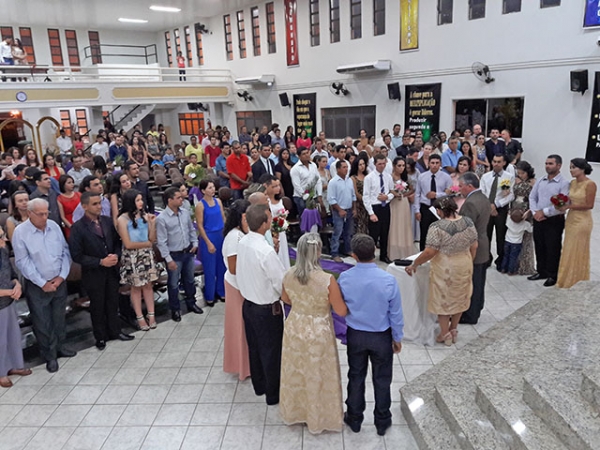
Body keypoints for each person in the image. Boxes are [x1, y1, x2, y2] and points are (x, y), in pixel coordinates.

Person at [280, 233, 348, 433]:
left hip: (294, 327)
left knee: (297, 372)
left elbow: (286, 299)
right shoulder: (326, 280)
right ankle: (319, 417)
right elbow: (341, 310)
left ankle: (297, 412)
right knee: (317, 374)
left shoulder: (288, 274)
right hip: (318, 330)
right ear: (317, 252)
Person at [338, 234, 403, 436]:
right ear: (374, 252)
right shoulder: (388, 280)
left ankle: (355, 418)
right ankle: (382, 420)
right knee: (382, 378)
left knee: (356, 376)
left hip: (356, 334)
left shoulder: (345, 278)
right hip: (381, 335)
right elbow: (396, 313)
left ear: (354, 255)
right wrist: (397, 337)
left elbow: (341, 307)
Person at [12, 198, 75, 373]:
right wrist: (42, 282)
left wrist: (62, 276)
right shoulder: (20, 232)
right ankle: (49, 355)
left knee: (59, 317)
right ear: (30, 213)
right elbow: (22, 262)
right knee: (42, 322)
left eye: (47, 213)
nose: (45, 217)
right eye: (40, 214)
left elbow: (65, 251)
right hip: (37, 285)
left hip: (59, 280)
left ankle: (61, 347)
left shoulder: (54, 226)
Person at [405, 197, 478, 345]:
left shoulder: (437, 227)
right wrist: (469, 260)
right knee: (460, 297)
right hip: (464, 263)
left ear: (439, 210)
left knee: (443, 300)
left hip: (445, 266)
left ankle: (445, 335)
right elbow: (474, 245)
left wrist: (415, 264)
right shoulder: (468, 222)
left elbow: (430, 251)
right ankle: (453, 329)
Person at [69, 192, 134, 350]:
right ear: (84, 206)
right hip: (93, 273)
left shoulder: (106, 221)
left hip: (111, 270)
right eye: (95, 204)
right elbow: (77, 255)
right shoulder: (78, 228)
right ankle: (100, 336)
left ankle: (115, 331)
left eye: (99, 203)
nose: (99, 207)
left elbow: (117, 243)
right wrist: (99, 262)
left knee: (113, 302)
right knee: (97, 306)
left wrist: (116, 256)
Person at [236, 204, 285, 405]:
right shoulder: (265, 251)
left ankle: (260, 386)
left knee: (255, 348)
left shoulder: (243, 242)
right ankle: (273, 394)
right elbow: (280, 282)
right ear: (265, 224)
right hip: (266, 309)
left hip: (248, 305)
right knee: (271, 352)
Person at [156, 187, 204, 321]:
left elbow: (191, 229)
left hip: (187, 251)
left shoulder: (185, 213)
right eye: (178, 197)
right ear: (170, 200)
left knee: (189, 280)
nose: (181, 199)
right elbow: (161, 241)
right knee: (173, 284)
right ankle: (175, 309)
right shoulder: (162, 219)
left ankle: (191, 303)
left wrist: (195, 243)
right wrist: (168, 259)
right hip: (174, 255)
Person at [116, 189, 159, 331]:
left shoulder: (145, 216)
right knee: (136, 287)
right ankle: (140, 317)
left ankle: (151, 315)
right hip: (132, 257)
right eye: (138, 200)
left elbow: (152, 239)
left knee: (148, 285)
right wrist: (147, 244)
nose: (141, 203)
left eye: (142, 199)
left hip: (146, 255)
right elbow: (128, 244)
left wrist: (152, 224)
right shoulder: (122, 219)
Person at [222, 200, 251, 380]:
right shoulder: (234, 237)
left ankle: (248, 363)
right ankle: (242, 366)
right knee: (240, 327)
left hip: (243, 284)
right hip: (236, 284)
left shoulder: (243, 233)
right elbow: (234, 268)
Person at [556, 158, 596, 288]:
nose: (571, 170)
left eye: (574, 167)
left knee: (577, 248)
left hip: (582, 221)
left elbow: (589, 205)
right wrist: (561, 204)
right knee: (568, 248)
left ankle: (576, 279)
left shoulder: (590, 184)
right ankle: (565, 278)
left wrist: (568, 207)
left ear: (582, 169)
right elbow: (569, 200)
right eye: (570, 167)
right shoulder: (572, 183)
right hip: (571, 219)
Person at [457, 172, 491, 325]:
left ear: (469, 186)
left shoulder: (470, 203)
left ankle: (470, 314)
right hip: (484, 241)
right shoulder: (483, 198)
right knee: (479, 279)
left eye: (461, 186)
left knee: (473, 281)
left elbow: (466, 228)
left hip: (474, 246)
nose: (459, 189)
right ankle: (478, 307)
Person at [0, 225, 29, 388]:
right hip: (3, 299)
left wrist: (17, 285)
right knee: (0, 340)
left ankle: (14, 365)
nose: (5, 239)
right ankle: (1, 372)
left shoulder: (3, 251)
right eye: (1, 237)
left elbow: (12, 274)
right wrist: (6, 292)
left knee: (13, 335)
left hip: (9, 300)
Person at [480, 154, 515, 269]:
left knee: (501, 235)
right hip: (486, 208)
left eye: (499, 162)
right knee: (486, 234)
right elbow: (482, 192)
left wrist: (496, 205)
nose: (496, 164)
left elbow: (510, 195)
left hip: (501, 209)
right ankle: (486, 258)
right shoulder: (485, 176)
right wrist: (489, 206)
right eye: (494, 161)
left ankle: (501, 260)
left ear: (504, 163)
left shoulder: (508, 177)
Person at [195, 179, 226, 307]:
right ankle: (209, 295)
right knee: (210, 268)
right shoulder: (200, 206)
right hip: (209, 237)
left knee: (221, 266)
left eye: (213, 187)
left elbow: (223, 218)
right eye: (209, 188)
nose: (212, 190)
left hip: (220, 235)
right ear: (203, 191)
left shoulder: (218, 202)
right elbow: (200, 226)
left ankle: (221, 291)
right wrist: (208, 242)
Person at [413, 154, 452, 251]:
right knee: (424, 232)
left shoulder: (446, 177)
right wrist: (417, 210)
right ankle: (422, 253)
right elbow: (417, 194)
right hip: (425, 207)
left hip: (440, 208)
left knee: (439, 232)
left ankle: (438, 253)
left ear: (440, 164)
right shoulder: (422, 177)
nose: (434, 165)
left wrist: (436, 195)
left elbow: (449, 195)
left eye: (437, 163)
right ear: (429, 163)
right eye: (432, 163)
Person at [363, 154, 395, 263]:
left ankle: (384, 255)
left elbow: (392, 191)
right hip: (375, 207)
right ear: (375, 164)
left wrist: (388, 197)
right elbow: (366, 196)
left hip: (385, 206)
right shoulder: (369, 178)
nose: (382, 166)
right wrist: (371, 213)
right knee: (373, 234)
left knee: (385, 232)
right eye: (379, 164)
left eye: (383, 163)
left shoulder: (388, 176)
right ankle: (370, 256)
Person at [327, 160, 356, 263]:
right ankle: (334, 253)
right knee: (337, 233)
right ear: (338, 169)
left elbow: (353, 196)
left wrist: (354, 208)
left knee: (349, 232)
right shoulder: (333, 182)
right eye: (343, 167)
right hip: (338, 211)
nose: (346, 169)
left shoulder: (349, 180)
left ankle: (348, 250)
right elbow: (331, 199)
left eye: (347, 167)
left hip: (349, 209)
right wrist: (339, 210)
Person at [512, 160, 536, 275]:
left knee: (526, 238)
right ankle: (514, 264)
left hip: (527, 209)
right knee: (515, 236)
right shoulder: (516, 180)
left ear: (528, 172)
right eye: (519, 173)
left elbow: (535, 198)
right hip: (515, 208)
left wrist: (530, 210)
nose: (520, 175)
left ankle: (526, 265)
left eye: (522, 173)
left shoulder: (533, 182)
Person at [388, 157, 414, 259]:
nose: (401, 168)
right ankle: (394, 250)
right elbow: (388, 189)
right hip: (394, 203)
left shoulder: (406, 177)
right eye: (399, 165)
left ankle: (405, 249)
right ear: (394, 166)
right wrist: (394, 193)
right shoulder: (390, 177)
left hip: (403, 202)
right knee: (394, 225)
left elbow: (412, 189)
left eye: (403, 166)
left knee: (404, 224)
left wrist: (404, 194)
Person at [263, 174, 291, 270]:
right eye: (274, 186)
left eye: (278, 185)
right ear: (267, 186)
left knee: (283, 251)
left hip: (280, 230)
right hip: (271, 231)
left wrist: (283, 219)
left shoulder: (279, 200)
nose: (277, 188)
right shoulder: (265, 201)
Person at [290, 147, 323, 217]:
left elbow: (318, 180)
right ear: (299, 156)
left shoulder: (313, 165)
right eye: (303, 154)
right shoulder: (295, 169)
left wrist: (319, 194)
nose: (306, 155)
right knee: (305, 219)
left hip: (313, 196)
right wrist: (305, 196)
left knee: (314, 218)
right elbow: (296, 185)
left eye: (307, 153)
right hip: (301, 197)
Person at [500, 208, 533, 275]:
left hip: (507, 241)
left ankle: (503, 268)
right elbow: (531, 230)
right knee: (513, 257)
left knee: (506, 256)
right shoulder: (524, 224)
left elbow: (508, 215)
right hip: (516, 243)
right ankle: (511, 270)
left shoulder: (509, 221)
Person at [350, 154, 369, 235]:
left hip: (368, 203)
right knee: (359, 224)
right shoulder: (353, 178)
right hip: (359, 204)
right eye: (360, 164)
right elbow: (355, 192)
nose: (362, 166)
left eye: (363, 164)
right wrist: (364, 199)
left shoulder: (367, 176)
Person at [57, 175, 81, 240]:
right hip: (69, 223)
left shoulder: (79, 194)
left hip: (81, 220)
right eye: (69, 183)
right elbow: (62, 217)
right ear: (63, 185)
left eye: (72, 182)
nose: (72, 184)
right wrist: (71, 226)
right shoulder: (60, 199)